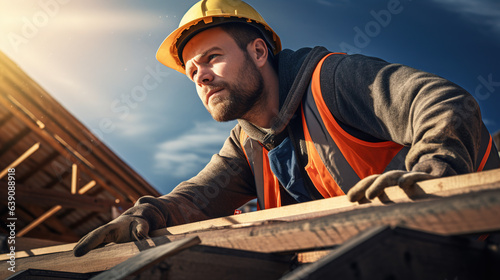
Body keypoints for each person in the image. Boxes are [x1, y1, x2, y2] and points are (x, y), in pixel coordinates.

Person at [73, 0, 500, 257]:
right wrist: (148, 214)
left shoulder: (332, 80)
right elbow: (195, 199)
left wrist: (432, 177)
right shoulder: (246, 143)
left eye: (213, 57)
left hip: (473, 244)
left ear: (259, 51)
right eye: (192, 71)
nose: (200, 76)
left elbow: (445, 103)